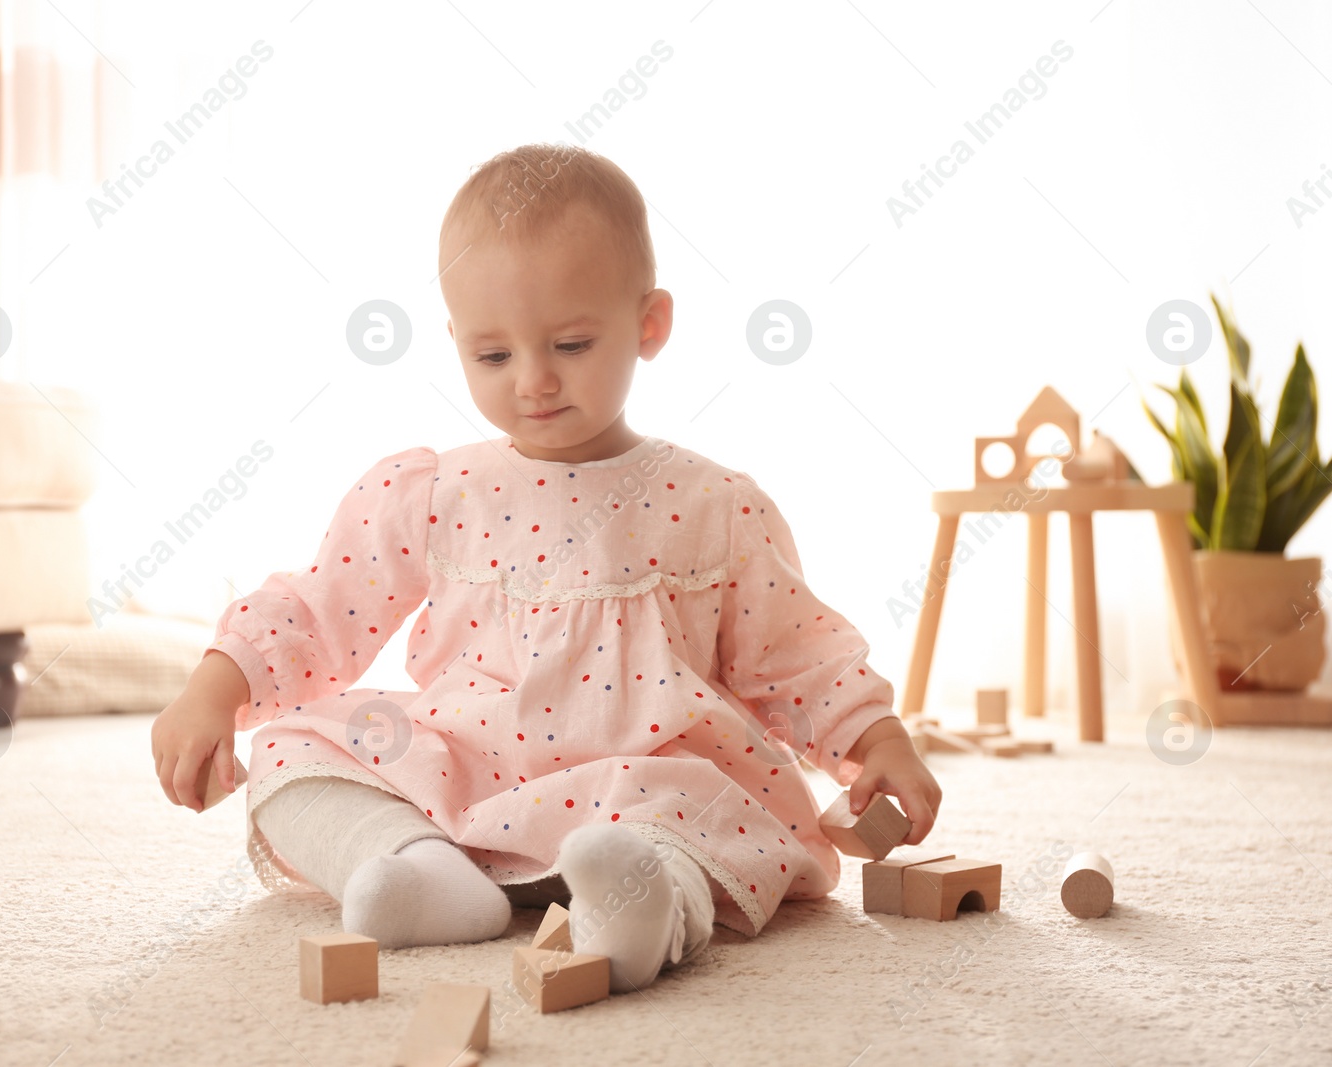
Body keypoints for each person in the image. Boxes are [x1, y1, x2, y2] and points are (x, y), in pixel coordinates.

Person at [151, 142, 942, 993]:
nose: (532, 380)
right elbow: (320, 608)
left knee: (711, 820)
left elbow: (800, 656)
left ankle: (639, 908)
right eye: (493, 356)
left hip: (643, 783)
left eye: (570, 343)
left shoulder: (715, 507)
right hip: (465, 769)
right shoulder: (437, 489)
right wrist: (215, 687)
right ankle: (417, 872)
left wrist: (876, 740)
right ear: (455, 340)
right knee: (295, 755)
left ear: (650, 324)